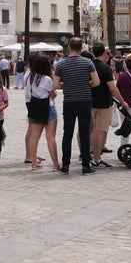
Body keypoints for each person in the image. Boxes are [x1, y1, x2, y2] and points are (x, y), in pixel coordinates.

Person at [53, 37, 99, 175]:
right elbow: (96, 82)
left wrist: (67, 85)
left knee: (67, 133)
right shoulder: (88, 62)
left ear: (69, 47)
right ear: (81, 48)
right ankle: (86, 165)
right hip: (85, 101)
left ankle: (65, 165)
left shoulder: (61, 64)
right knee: (85, 134)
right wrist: (86, 85)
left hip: (69, 101)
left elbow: (55, 85)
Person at [89, 42, 127, 167]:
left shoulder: (89, 66)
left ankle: (91, 155)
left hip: (90, 102)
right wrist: (122, 101)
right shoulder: (105, 68)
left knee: (93, 130)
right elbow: (112, 88)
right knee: (100, 131)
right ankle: (97, 159)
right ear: (104, 53)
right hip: (103, 103)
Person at [23, 54, 58, 170]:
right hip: (48, 108)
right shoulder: (46, 79)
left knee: (34, 137)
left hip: (35, 108)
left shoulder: (30, 77)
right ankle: (55, 164)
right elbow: (53, 94)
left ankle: (34, 162)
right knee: (50, 137)